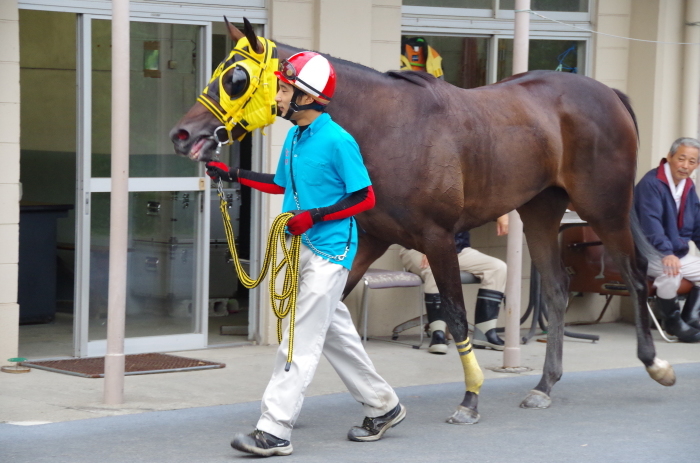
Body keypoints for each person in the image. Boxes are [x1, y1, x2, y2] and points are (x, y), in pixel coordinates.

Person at [206, 51, 405, 457]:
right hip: (302, 248)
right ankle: (383, 406)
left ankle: (274, 429)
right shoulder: (296, 138)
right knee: (334, 335)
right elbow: (282, 185)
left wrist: (315, 216)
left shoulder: (338, 140)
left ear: (307, 97)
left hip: (331, 253)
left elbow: (365, 196)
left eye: (283, 89)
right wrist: (234, 175)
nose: (277, 96)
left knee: (297, 339)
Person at [398, 216, 509, 354]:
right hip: (417, 248)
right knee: (436, 267)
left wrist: (502, 215)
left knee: (498, 268)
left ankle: (485, 333)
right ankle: (438, 334)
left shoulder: (467, 194)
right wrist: (427, 245)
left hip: (457, 249)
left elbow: (490, 199)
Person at [635, 137, 700, 343]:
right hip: (648, 252)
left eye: (692, 161)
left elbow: (697, 224)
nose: (686, 166)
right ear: (670, 157)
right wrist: (667, 252)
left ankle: (690, 316)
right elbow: (650, 224)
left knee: (679, 267)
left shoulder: (688, 186)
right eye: (681, 159)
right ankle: (671, 322)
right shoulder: (651, 183)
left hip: (675, 252)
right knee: (672, 273)